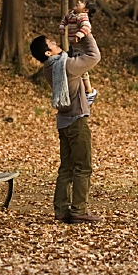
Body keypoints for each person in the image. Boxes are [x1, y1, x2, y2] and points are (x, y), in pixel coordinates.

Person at [30, 33, 102, 224]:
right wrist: (86, 34)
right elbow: (94, 56)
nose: (55, 43)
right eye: (51, 44)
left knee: (66, 168)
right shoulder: (67, 66)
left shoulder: (50, 68)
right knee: (83, 167)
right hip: (77, 121)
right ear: (48, 52)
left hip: (63, 122)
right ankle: (79, 209)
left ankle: (61, 209)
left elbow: (75, 57)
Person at [59, 0, 97, 103]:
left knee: (82, 70)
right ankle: (82, 91)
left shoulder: (82, 17)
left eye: (82, 3)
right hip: (74, 47)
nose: (79, 2)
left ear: (85, 10)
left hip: (81, 47)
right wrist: (62, 27)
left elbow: (87, 27)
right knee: (76, 69)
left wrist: (79, 34)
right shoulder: (71, 14)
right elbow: (64, 19)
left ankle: (89, 91)